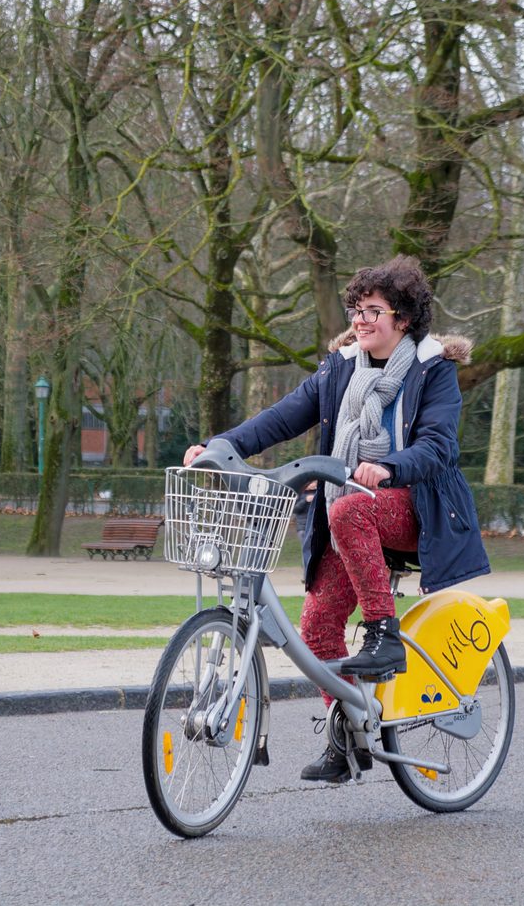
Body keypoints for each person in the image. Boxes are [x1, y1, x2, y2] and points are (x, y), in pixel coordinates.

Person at [183, 255, 490, 783]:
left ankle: (383, 632)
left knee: (350, 506)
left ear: (404, 318)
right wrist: (219, 446)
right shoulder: (339, 368)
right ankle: (346, 739)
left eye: (373, 310)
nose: (361, 319)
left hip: (417, 508)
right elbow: (280, 417)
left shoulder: (433, 371)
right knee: (317, 627)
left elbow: (438, 448)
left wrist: (388, 466)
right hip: (350, 514)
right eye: (356, 308)